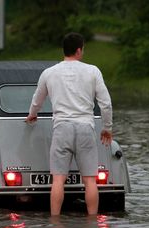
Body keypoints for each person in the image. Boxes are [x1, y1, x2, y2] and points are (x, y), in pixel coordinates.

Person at [26, 32, 113, 215]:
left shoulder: (49, 73)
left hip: (62, 128)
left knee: (58, 180)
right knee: (90, 180)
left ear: (63, 50)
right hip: (85, 128)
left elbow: (37, 100)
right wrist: (107, 128)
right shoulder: (93, 71)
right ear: (79, 50)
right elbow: (105, 103)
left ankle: (55, 223)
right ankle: (92, 222)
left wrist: (32, 115)